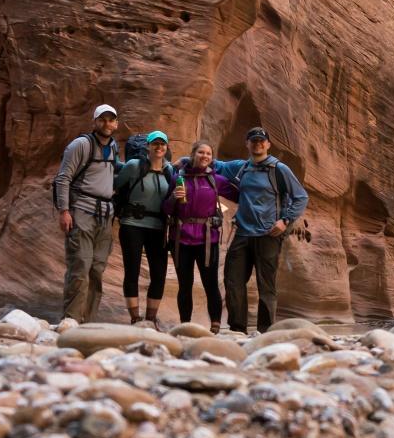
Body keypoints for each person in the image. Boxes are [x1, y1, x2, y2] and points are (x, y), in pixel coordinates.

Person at [216, 127, 309, 333]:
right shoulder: (241, 167)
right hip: (242, 234)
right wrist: (184, 161)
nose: (257, 143)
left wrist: (285, 220)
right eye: (253, 140)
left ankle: (265, 330)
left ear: (268, 145)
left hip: (268, 235)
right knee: (233, 281)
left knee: (266, 285)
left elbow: (301, 197)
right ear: (247, 144)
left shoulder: (279, 169)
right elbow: (214, 165)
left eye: (261, 141)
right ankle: (237, 329)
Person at [162, 140, 238, 334]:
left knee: (210, 282)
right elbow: (166, 209)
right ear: (193, 154)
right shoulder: (178, 178)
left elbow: (240, 195)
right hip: (181, 239)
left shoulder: (215, 180)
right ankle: (185, 324)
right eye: (201, 153)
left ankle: (215, 325)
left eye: (208, 154)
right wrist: (173, 198)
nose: (205, 156)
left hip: (207, 239)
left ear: (212, 158)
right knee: (184, 284)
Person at [53, 104, 120, 323]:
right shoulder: (81, 145)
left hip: (105, 216)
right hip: (82, 211)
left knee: (97, 270)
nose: (107, 124)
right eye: (103, 119)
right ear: (95, 121)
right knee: (80, 266)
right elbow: (63, 178)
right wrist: (64, 210)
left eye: (111, 120)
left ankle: (88, 322)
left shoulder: (113, 146)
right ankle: (71, 319)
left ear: (116, 124)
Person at [114, 130, 173, 329]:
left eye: (162, 144)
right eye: (155, 143)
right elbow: (115, 185)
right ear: (147, 146)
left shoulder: (169, 171)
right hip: (132, 224)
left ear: (166, 147)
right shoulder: (134, 166)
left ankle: (151, 318)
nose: (159, 147)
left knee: (159, 273)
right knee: (132, 271)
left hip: (158, 227)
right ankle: (135, 318)